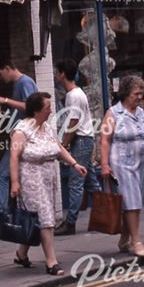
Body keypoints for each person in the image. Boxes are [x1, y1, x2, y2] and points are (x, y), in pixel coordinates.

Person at [10, 92, 87, 276]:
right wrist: (14, 182)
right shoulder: (22, 130)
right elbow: (14, 157)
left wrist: (74, 164)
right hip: (31, 179)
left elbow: (59, 148)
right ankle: (51, 262)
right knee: (45, 219)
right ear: (37, 111)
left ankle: (21, 254)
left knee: (37, 218)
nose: (51, 110)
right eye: (47, 108)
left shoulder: (46, 127)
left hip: (48, 179)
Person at [99, 76, 144, 257]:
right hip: (121, 162)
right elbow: (105, 140)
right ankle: (136, 241)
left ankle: (124, 240)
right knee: (131, 201)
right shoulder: (113, 113)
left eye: (141, 93)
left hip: (139, 163)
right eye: (136, 93)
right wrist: (104, 164)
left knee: (134, 202)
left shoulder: (139, 112)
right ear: (125, 94)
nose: (140, 96)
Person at [0, 59, 37, 227]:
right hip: (20, 137)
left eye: (0, 74)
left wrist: (5, 101)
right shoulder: (18, 85)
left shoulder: (25, 82)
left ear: (7, 68)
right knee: (15, 176)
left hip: (24, 139)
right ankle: (10, 215)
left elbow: (31, 107)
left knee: (2, 174)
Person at [53, 59, 95, 236]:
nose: (55, 75)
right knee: (92, 182)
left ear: (63, 74)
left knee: (75, 182)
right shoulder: (75, 93)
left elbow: (74, 122)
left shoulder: (73, 95)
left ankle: (70, 223)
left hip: (82, 140)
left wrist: (64, 143)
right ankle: (108, 213)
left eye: (57, 72)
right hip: (85, 140)